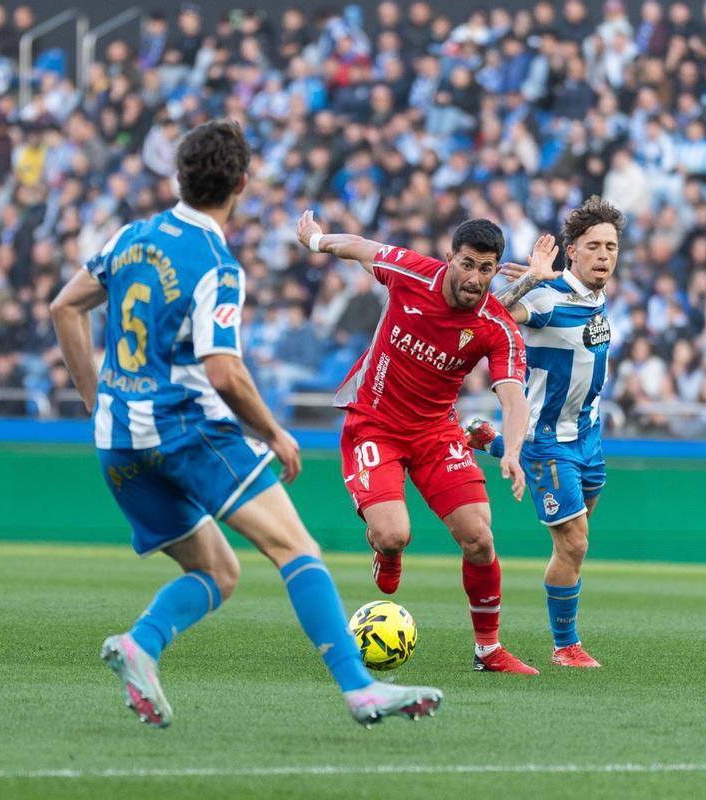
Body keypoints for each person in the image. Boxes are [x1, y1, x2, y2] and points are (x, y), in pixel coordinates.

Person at [50, 119, 441, 729]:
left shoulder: (131, 235)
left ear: (179, 176)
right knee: (298, 549)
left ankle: (141, 645)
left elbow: (65, 306)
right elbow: (225, 372)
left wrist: (95, 399)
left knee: (217, 571)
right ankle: (361, 690)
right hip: (185, 429)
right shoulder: (215, 262)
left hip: (118, 438)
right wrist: (273, 431)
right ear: (241, 183)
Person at [294, 210, 539, 675]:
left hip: (435, 432)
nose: (475, 278)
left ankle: (488, 651)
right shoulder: (411, 272)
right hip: (374, 422)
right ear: (449, 258)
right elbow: (361, 248)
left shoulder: (498, 327)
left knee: (479, 538)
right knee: (393, 535)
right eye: (467, 264)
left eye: (486, 269)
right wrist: (317, 241)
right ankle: (384, 550)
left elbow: (513, 398)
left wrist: (511, 450)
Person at [466, 196, 625, 669]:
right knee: (574, 542)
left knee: (575, 540)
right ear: (571, 251)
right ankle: (565, 646)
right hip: (546, 439)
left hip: (587, 438)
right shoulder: (547, 297)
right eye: (593, 246)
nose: (604, 255)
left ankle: (491, 443)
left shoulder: (595, 298)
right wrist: (534, 277)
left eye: (611, 247)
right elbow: (485, 315)